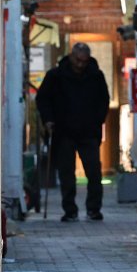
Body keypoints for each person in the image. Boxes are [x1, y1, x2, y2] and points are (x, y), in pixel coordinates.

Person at [36, 42, 111, 222]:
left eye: (83, 62)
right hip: (63, 131)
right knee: (66, 172)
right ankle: (70, 209)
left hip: (89, 132)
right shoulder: (55, 76)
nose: (80, 65)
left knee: (93, 172)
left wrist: (98, 120)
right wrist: (48, 120)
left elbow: (104, 100)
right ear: (71, 57)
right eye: (77, 60)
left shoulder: (95, 76)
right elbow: (43, 99)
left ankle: (93, 209)